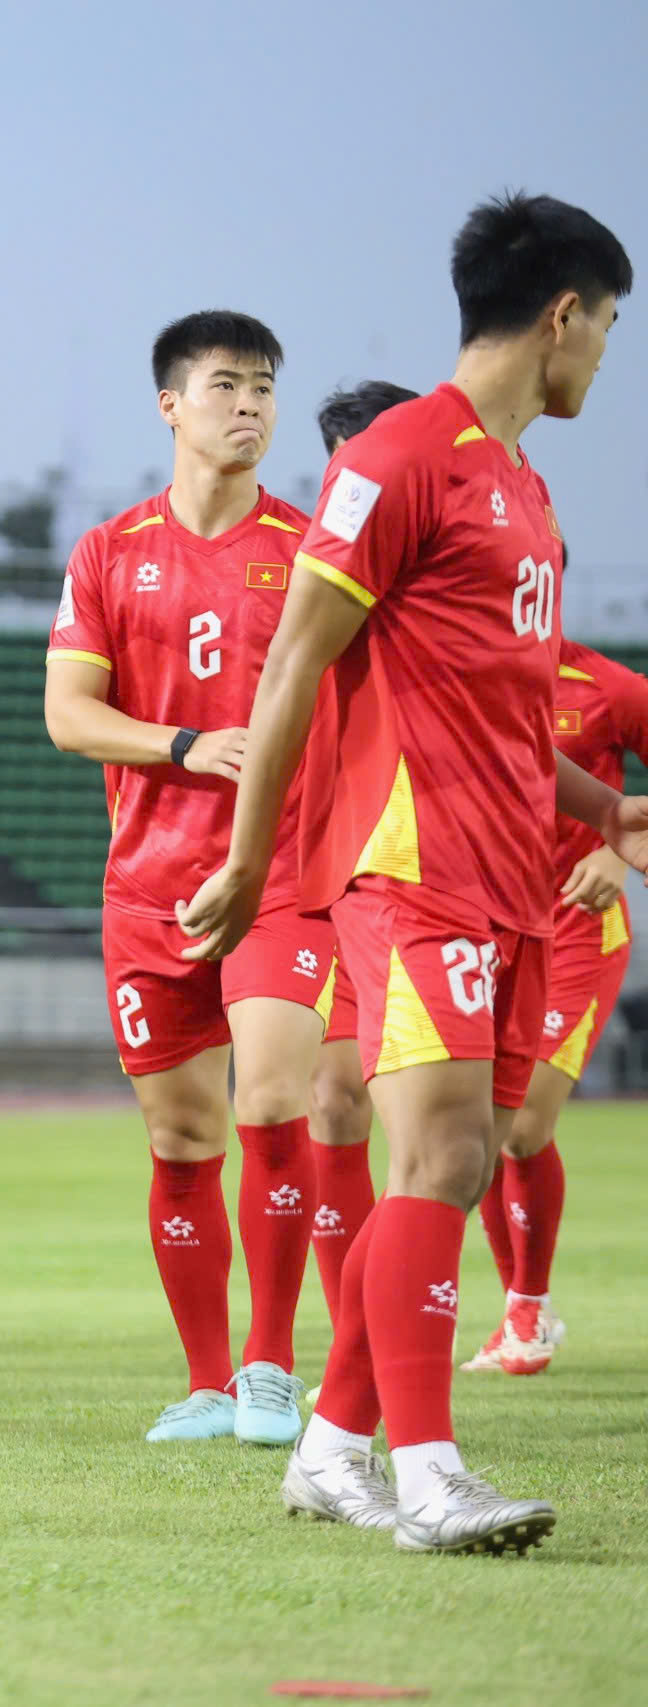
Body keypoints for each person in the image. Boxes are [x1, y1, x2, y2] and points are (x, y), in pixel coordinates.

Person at [180, 192, 636, 1553]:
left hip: (516, 875)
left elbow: (504, 708)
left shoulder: (525, 480)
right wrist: (257, 856)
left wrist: (607, 809)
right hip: (413, 863)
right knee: (439, 1152)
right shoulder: (400, 456)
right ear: (560, 314)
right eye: (608, 326)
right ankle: (430, 1470)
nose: (605, 354)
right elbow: (294, 662)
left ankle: (333, 1444)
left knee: (459, 1157)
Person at [43, 313, 332, 1447]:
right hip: (148, 885)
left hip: (282, 877)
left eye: (263, 387)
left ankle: (271, 1369)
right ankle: (208, 1382)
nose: (248, 406)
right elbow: (67, 715)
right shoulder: (110, 553)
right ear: (171, 404)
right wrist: (178, 745)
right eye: (224, 385)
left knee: (268, 1098)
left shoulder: (311, 550)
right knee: (178, 1138)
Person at [461, 633, 647, 1375]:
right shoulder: (458, 669)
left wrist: (615, 846)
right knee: (470, 1123)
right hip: (480, 924)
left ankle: (528, 1306)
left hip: (573, 932)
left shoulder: (608, 686)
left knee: (523, 1120)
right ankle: (520, 1310)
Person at [302, 383, 420, 1331]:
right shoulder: (321, 571)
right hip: (356, 869)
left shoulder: (439, 579)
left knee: (448, 1148)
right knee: (332, 1100)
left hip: (447, 867)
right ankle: (353, 1351)